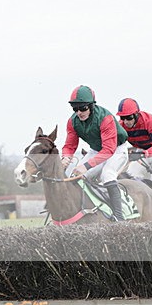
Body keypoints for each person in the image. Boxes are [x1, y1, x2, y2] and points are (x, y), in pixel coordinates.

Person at [61, 85, 129, 221]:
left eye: (83, 108)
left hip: (117, 150)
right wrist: (66, 157)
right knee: (74, 176)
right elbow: (69, 145)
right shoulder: (72, 122)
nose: (79, 112)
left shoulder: (105, 118)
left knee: (107, 174)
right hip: (96, 150)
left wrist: (85, 166)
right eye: (75, 108)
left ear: (91, 106)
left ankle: (119, 217)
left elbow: (108, 150)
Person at [116, 97, 152, 203]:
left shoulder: (150, 121)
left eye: (129, 117)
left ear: (136, 114)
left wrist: (146, 153)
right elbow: (116, 145)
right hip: (142, 150)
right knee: (132, 176)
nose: (126, 121)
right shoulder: (121, 126)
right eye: (123, 118)